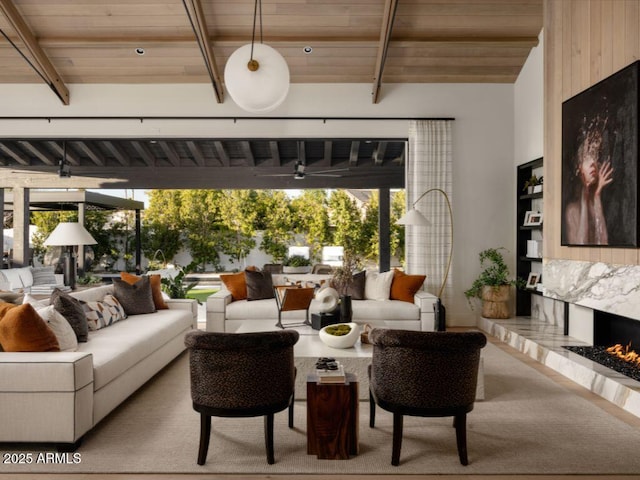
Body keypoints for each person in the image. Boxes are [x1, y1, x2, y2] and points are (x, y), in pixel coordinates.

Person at [564, 115, 613, 245]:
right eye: (587, 157)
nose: (592, 163)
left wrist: (597, 195)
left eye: (595, 156)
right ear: (579, 168)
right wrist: (584, 198)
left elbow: (603, 243)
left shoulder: (606, 205)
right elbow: (581, 243)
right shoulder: (572, 210)